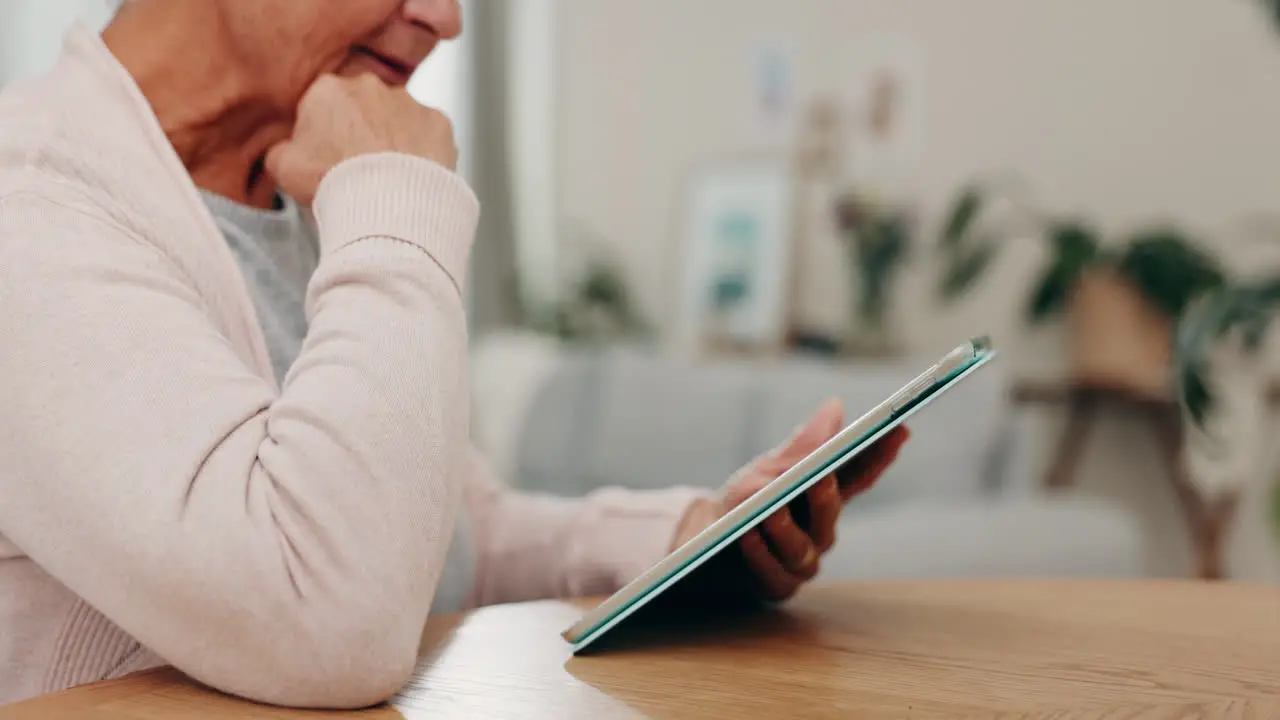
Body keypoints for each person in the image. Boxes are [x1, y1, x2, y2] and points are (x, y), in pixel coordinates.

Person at [0, 0, 909, 709]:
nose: (448, 19)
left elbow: (454, 537)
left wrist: (689, 541)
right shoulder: (28, 203)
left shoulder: (297, 200)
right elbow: (329, 624)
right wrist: (394, 195)